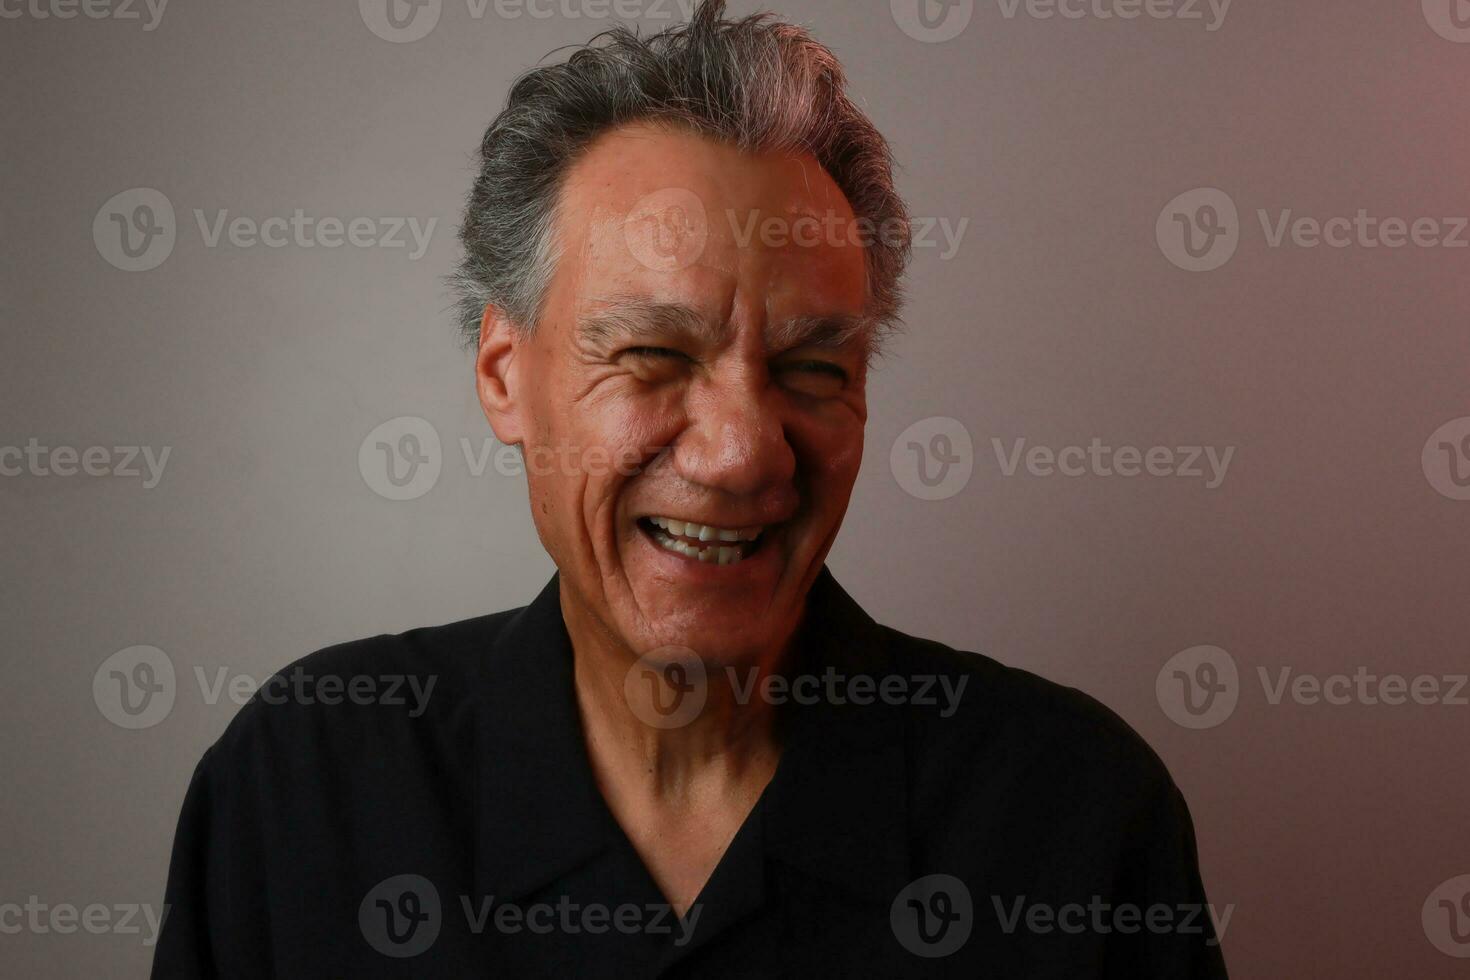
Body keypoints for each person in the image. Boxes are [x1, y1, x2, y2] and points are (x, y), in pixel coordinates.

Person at [151, 2, 1228, 975]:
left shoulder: (1074, 815)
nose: (740, 453)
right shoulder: (304, 790)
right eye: (655, 354)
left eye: (813, 370)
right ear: (503, 375)